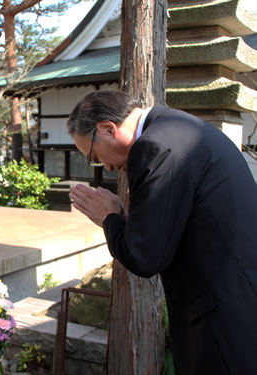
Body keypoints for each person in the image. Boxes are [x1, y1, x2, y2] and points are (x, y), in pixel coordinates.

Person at [67, 90, 257, 374]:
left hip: (220, 318)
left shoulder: (154, 147)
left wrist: (109, 218)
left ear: (107, 128)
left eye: (94, 156)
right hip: (240, 298)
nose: (106, 166)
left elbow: (145, 257)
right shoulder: (179, 126)